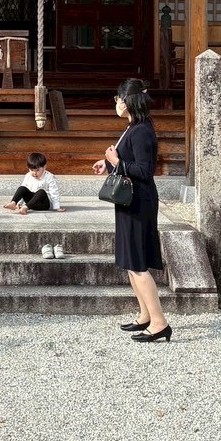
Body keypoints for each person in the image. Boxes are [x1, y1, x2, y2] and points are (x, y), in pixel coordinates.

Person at [93, 78, 170, 343]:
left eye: (118, 98)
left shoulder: (141, 130)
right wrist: (108, 163)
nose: (116, 103)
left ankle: (159, 322)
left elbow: (145, 170)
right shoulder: (134, 127)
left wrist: (117, 162)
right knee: (130, 262)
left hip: (139, 201)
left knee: (137, 263)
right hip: (130, 200)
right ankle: (145, 314)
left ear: (127, 101)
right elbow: (128, 161)